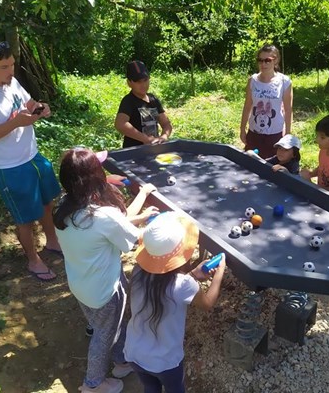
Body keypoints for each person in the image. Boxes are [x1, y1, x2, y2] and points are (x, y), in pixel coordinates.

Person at [53, 147, 159, 393]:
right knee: (103, 335)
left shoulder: (65, 207)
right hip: (105, 291)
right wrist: (158, 225)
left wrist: (141, 205)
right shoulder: (103, 216)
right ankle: (93, 383)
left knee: (110, 325)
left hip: (81, 284)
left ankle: (121, 361)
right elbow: (131, 239)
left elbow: (111, 225)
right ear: (95, 177)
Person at [0, 41, 61, 281]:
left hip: (32, 155)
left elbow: (27, 104)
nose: (11, 71)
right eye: (4, 66)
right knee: (25, 218)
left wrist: (39, 107)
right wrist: (15, 123)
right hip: (9, 167)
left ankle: (52, 241)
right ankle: (33, 260)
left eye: (12, 65)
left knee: (48, 203)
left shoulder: (11, 82)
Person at [123, 212, 225, 393]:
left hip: (134, 352)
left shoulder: (138, 272)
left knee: (150, 387)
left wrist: (193, 274)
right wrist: (219, 274)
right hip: (166, 362)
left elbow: (165, 286)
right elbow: (207, 303)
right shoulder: (184, 285)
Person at [239, 44, 293, 159]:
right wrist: (242, 129)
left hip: (275, 134)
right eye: (260, 60)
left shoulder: (284, 82)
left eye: (267, 60)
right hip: (254, 133)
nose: (263, 64)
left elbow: (288, 110)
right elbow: (247, 106)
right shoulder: (252, 81)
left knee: (270, 168)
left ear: (276, 60)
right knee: (250, 165)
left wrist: (287, 134)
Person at [114, 60, 173, 148]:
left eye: (145, 80)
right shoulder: (128, 101)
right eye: (138, 82)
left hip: (153, 149)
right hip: (134, 152)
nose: (143, 85)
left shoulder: (153, 99)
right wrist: (146, 139)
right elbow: (120, 124)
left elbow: (166, 124)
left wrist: (164, 136)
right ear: (129, 83)